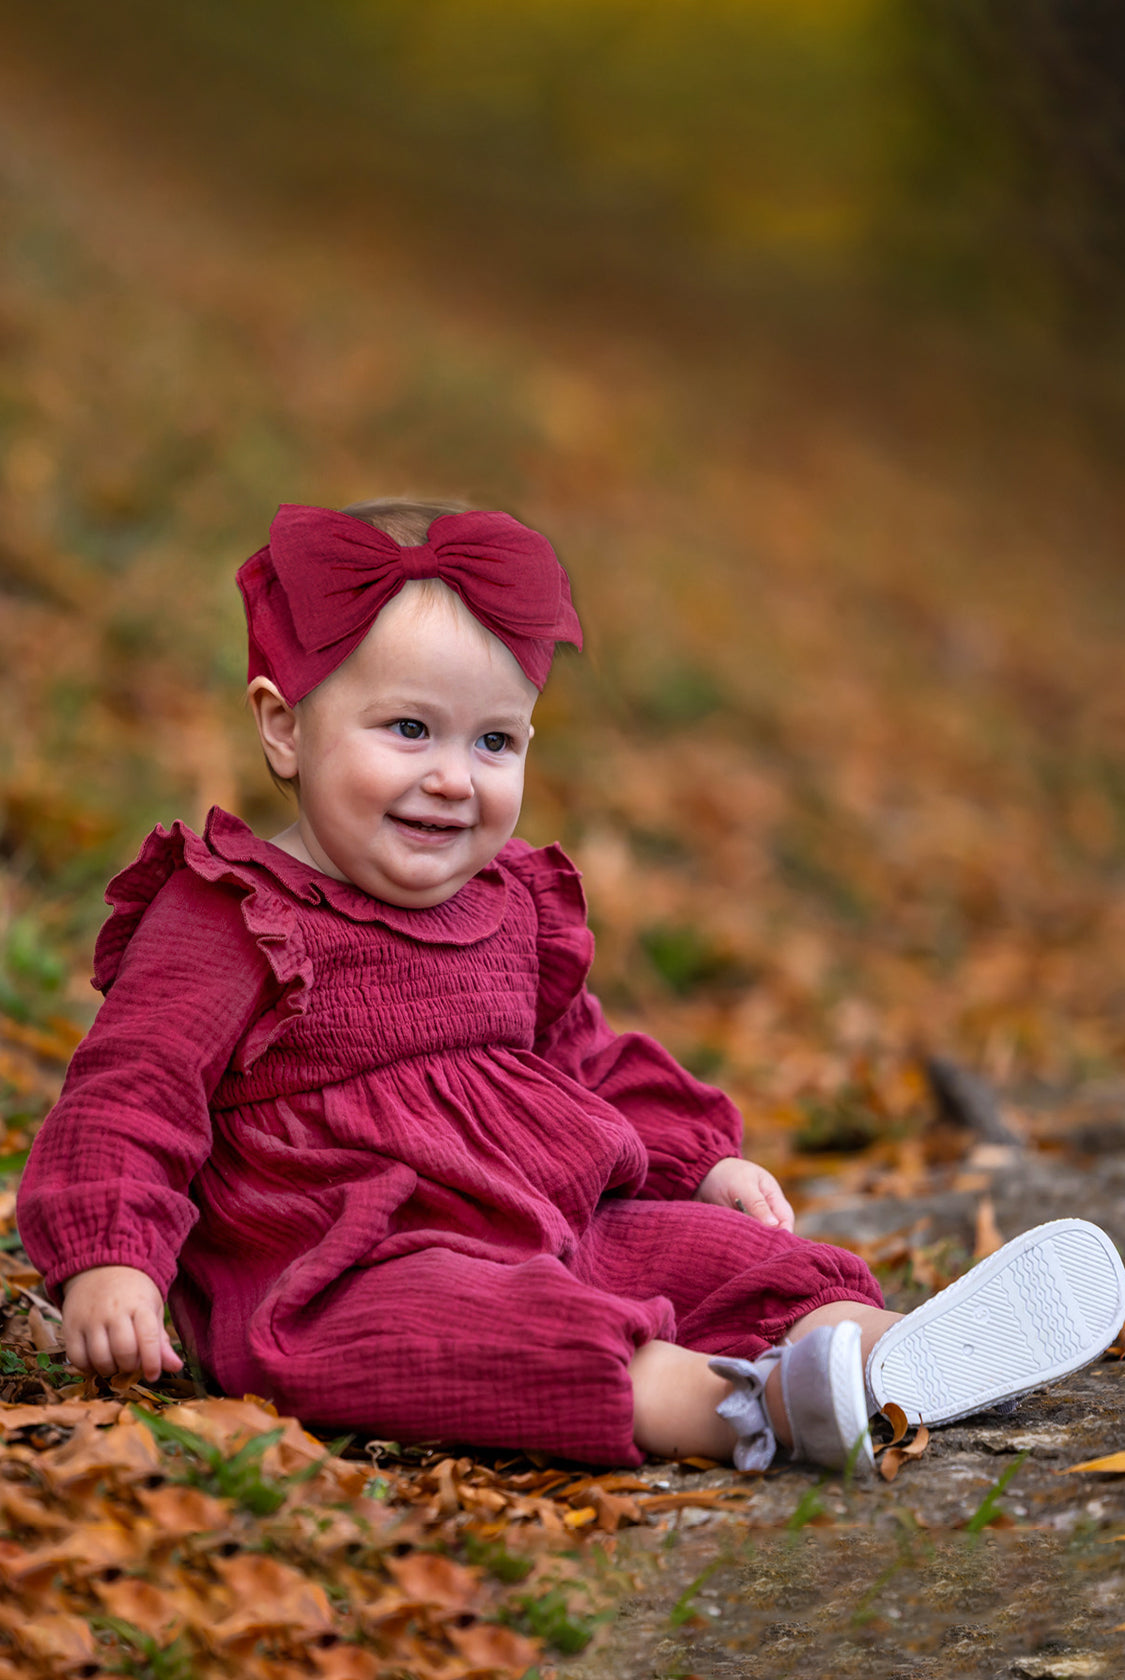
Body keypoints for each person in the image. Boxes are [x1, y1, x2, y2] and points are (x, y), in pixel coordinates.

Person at [18, 499, 1125, 1476]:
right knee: (497, 1332)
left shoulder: (505, 902)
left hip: (564, 1219)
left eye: (494, 740)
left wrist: (706, 1157)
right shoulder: (230, 915)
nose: (454, 777)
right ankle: (740, 1404)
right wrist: (112, 1258)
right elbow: (132, 1093)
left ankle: (892, 1354)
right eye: (409, 730)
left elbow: (587, 1060)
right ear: (284, 726)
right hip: (346, 1268)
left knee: (727, 1261)